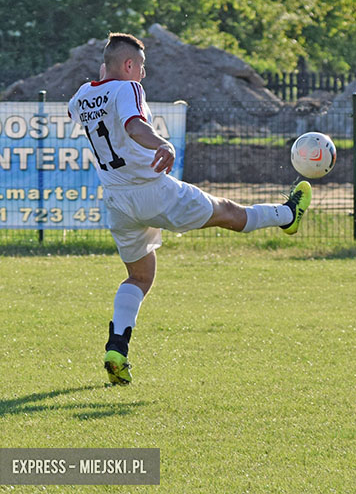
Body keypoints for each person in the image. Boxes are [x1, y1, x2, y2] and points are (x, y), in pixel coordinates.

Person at [68, 32, 312, 385]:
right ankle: (287, 215)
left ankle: (117, 347)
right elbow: (134, 126)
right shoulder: (129, 88)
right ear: (129, 65)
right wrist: (162, 142)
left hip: (118, 202)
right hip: (153, 190)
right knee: (228, 212)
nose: (144, 76)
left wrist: (101, 81)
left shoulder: (82, 95)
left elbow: (81, 111)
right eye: (142, 67)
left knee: (139, 276)